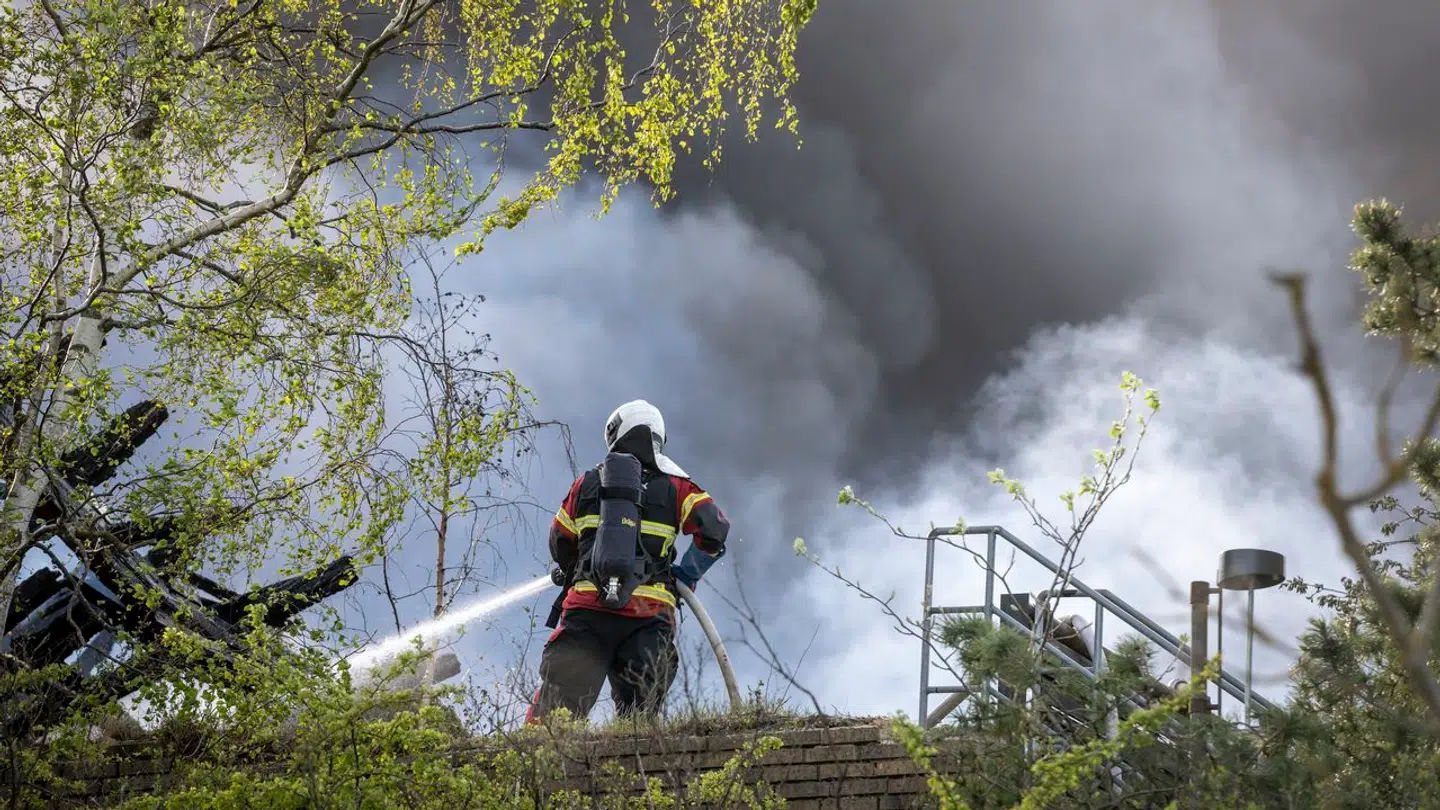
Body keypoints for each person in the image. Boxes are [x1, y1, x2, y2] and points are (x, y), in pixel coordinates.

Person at [526, 399, 730, 723]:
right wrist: (685, 576)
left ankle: (531, 774)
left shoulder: (587, 483)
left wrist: (576, 568)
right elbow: (715, 529)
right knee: (638, 727)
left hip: (585, 612)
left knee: (553, 721)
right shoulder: (679, 487)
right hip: (648, 616)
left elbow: (559, 538)